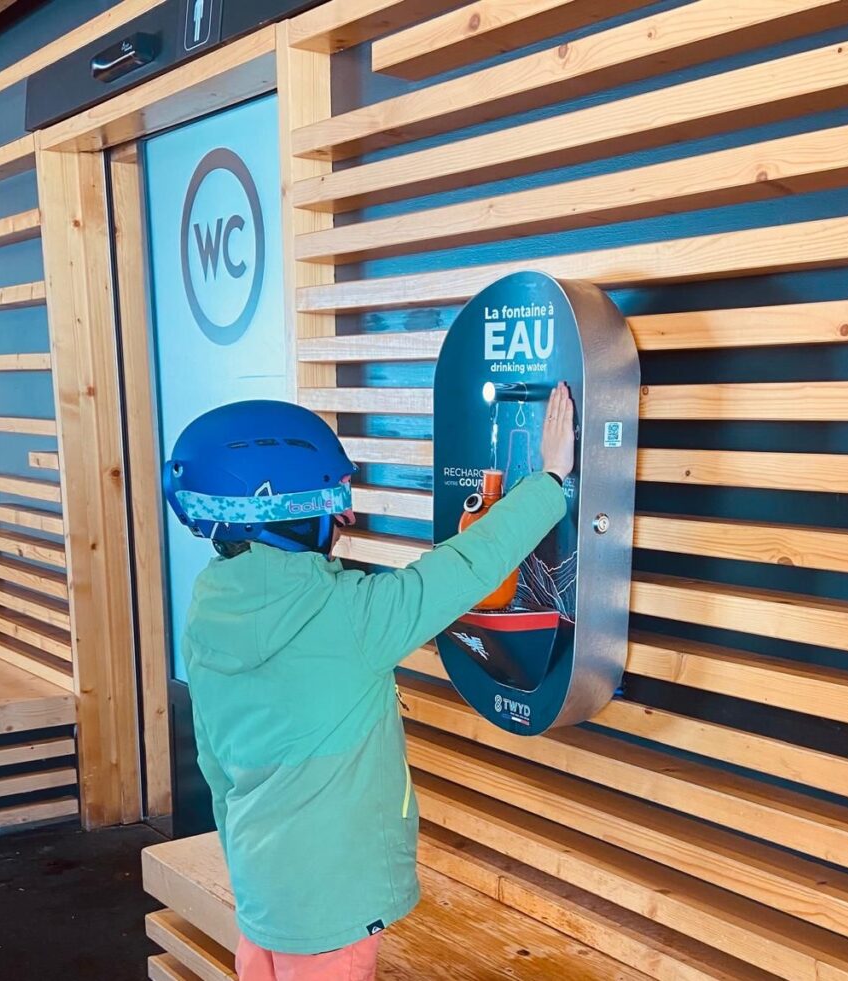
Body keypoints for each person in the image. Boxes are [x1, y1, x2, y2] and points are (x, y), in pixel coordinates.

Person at [163, 383, 576, 981]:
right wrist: (552, 480)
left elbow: (213, 762)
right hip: (332, 905)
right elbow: (466, 567)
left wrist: (253, 876)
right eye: (334, 499)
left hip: (263, 890)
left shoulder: (208, 613)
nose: (347, 515)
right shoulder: (351, 618)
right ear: (287, 512)